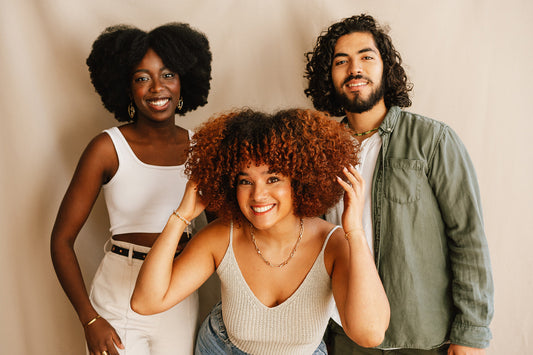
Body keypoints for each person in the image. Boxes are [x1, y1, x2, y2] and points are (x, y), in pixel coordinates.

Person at [304, 14, 494, 355]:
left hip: (419, 336)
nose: (354, 69)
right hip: (343, 331)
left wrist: (471, 334)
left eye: (366, 57)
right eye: (341, 61)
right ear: (328, 77)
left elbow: (467, 238)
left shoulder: (432, 140)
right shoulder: (318, 148)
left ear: (385, 67)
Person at [130, 108, 390, 355]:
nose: (258, 195)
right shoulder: (221, 236)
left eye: (273, 178)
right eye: (245, 181)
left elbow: (370, 334)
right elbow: (146, 302)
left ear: (298, 181)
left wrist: (354, 231)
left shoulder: (331, 244)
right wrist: (181, 217)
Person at [50, 23, 211, 355]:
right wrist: (90, 320)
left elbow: (225, 233)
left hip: (177, 290)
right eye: (142, 78)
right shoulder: (107, 148)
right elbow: (61, 241)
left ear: (183, 83)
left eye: (168, 75)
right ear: (126, 87)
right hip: (117, 295)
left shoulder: (202, 149)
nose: (156, 88)